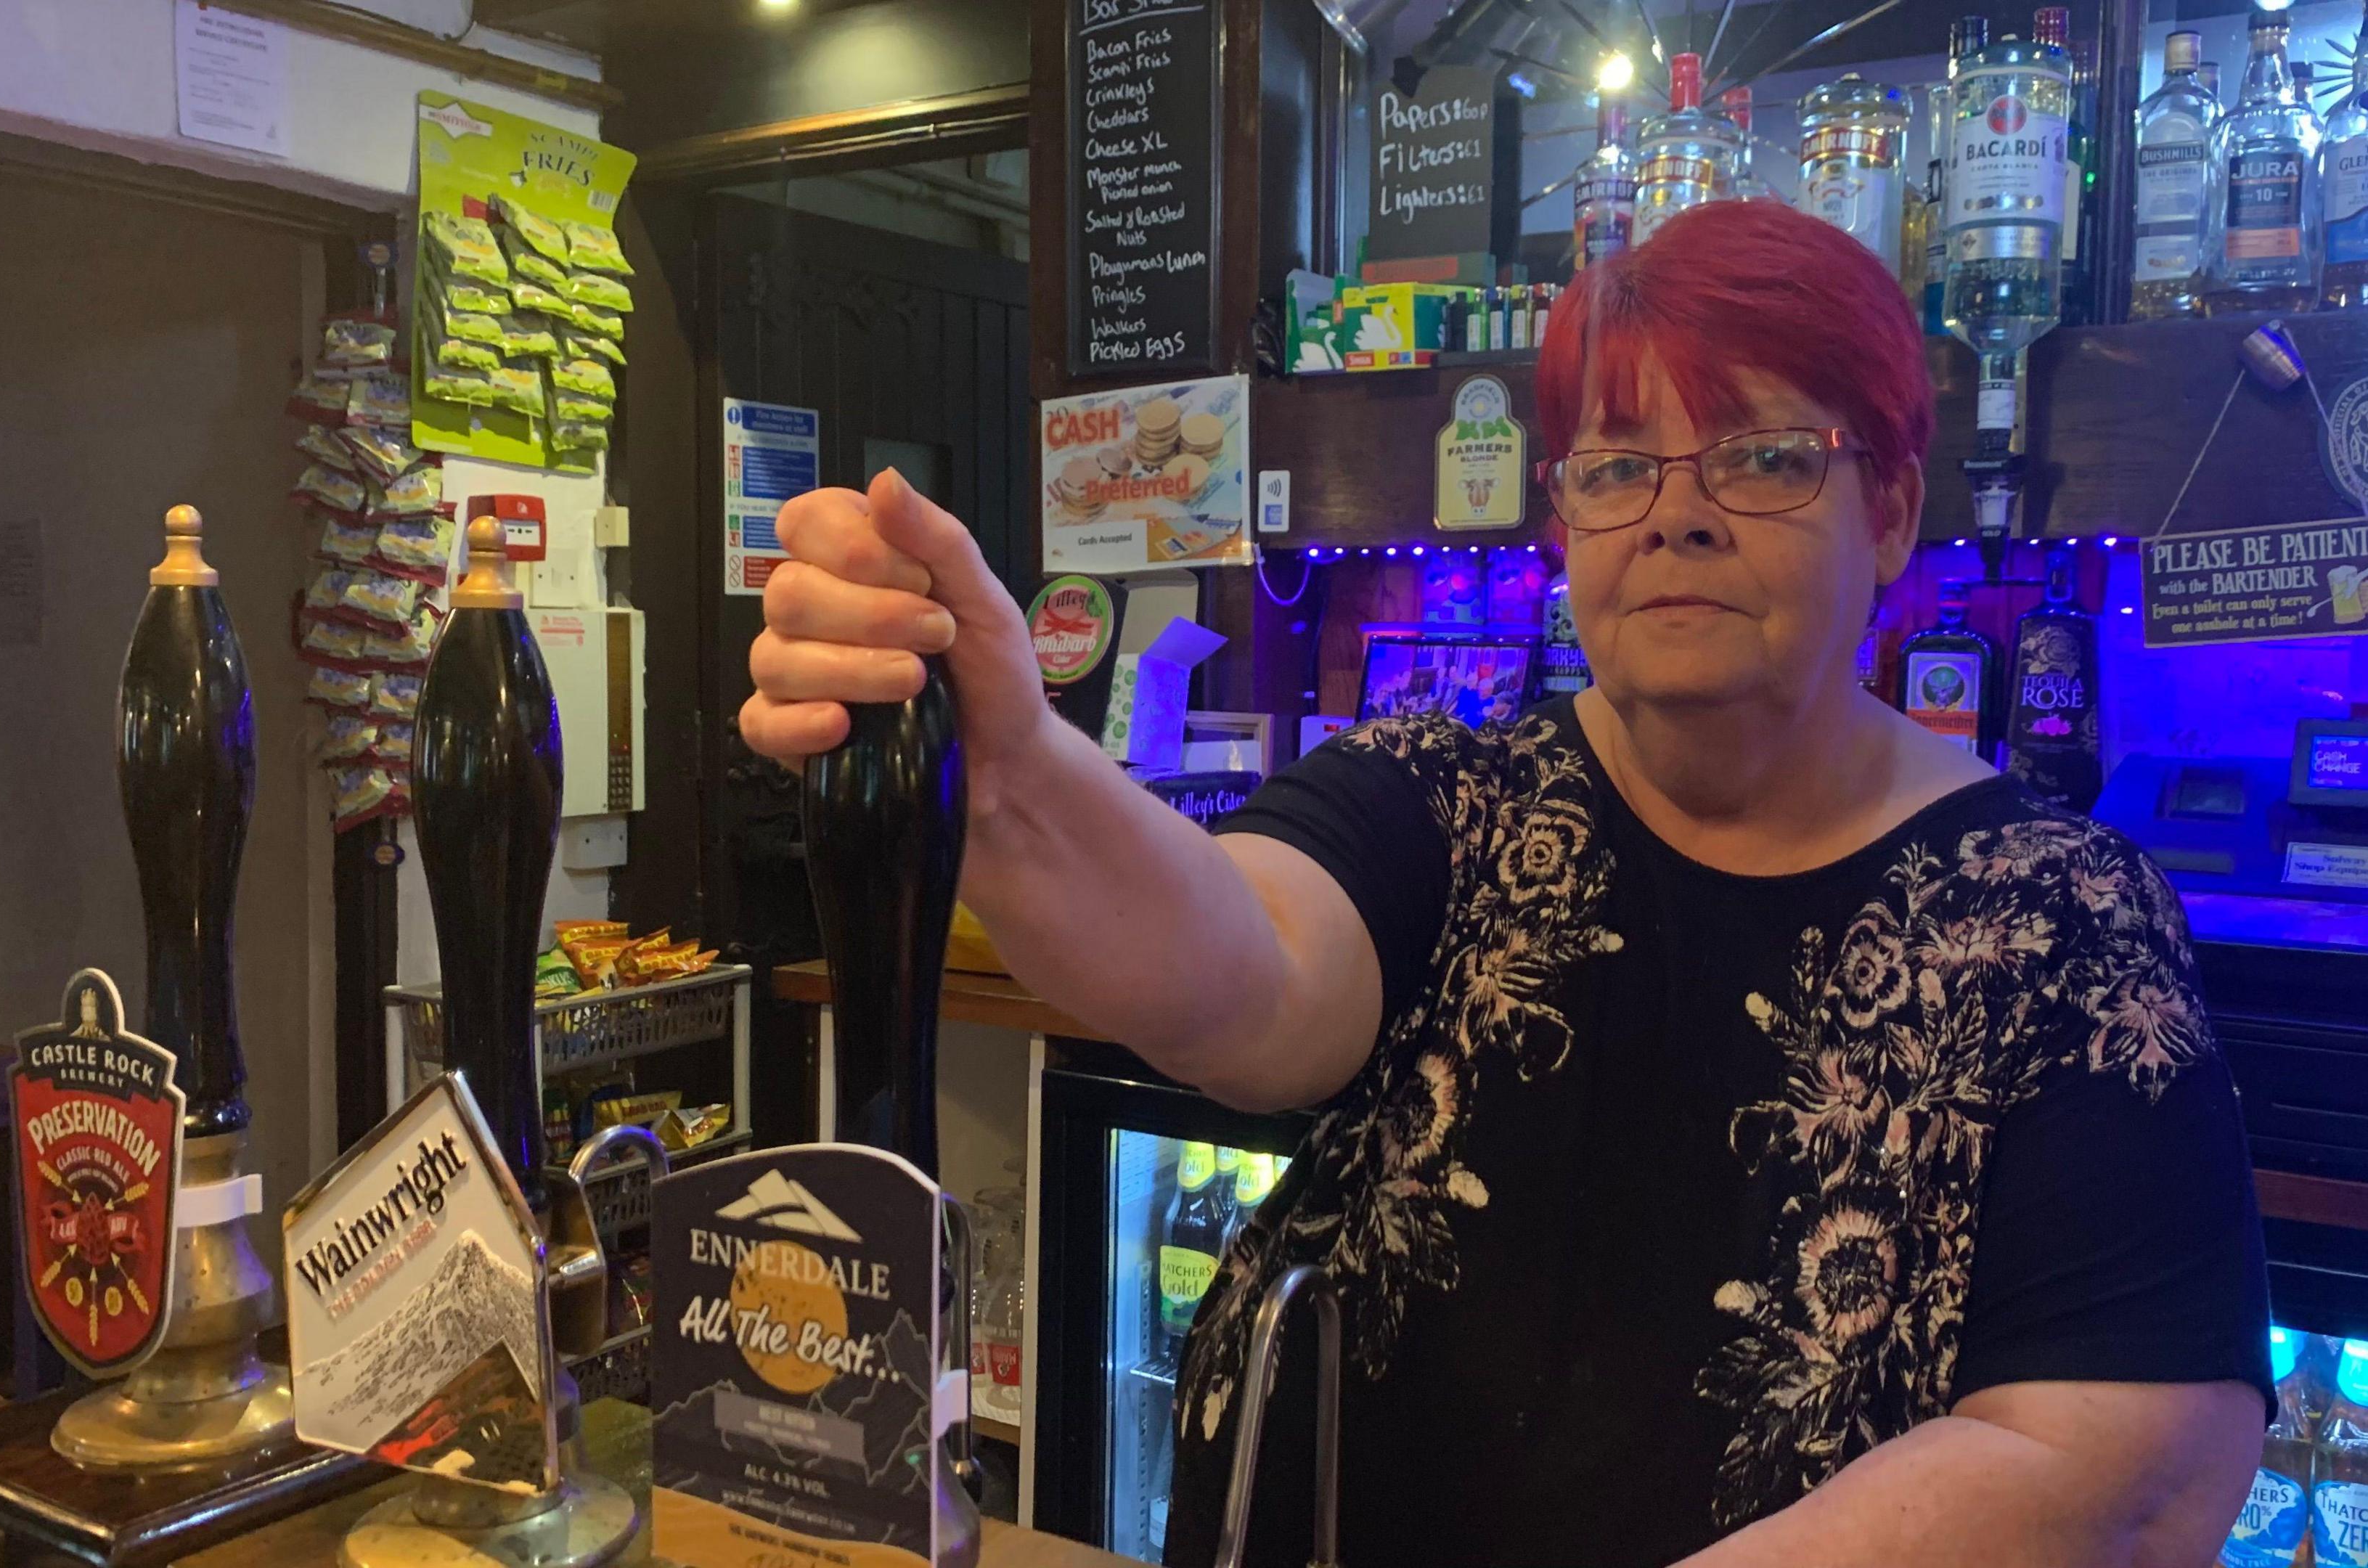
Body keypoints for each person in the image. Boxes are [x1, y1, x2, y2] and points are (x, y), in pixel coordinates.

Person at [741, 200, 2269, 1568]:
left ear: (1890, 513)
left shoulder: (2062, 920)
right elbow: (1244, 970)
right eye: (1618, 466)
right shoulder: (1456, 799)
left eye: (1762, 454)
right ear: (1566, 527)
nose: (1677, 510)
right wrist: (1005, 766)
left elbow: (2128, 1466)